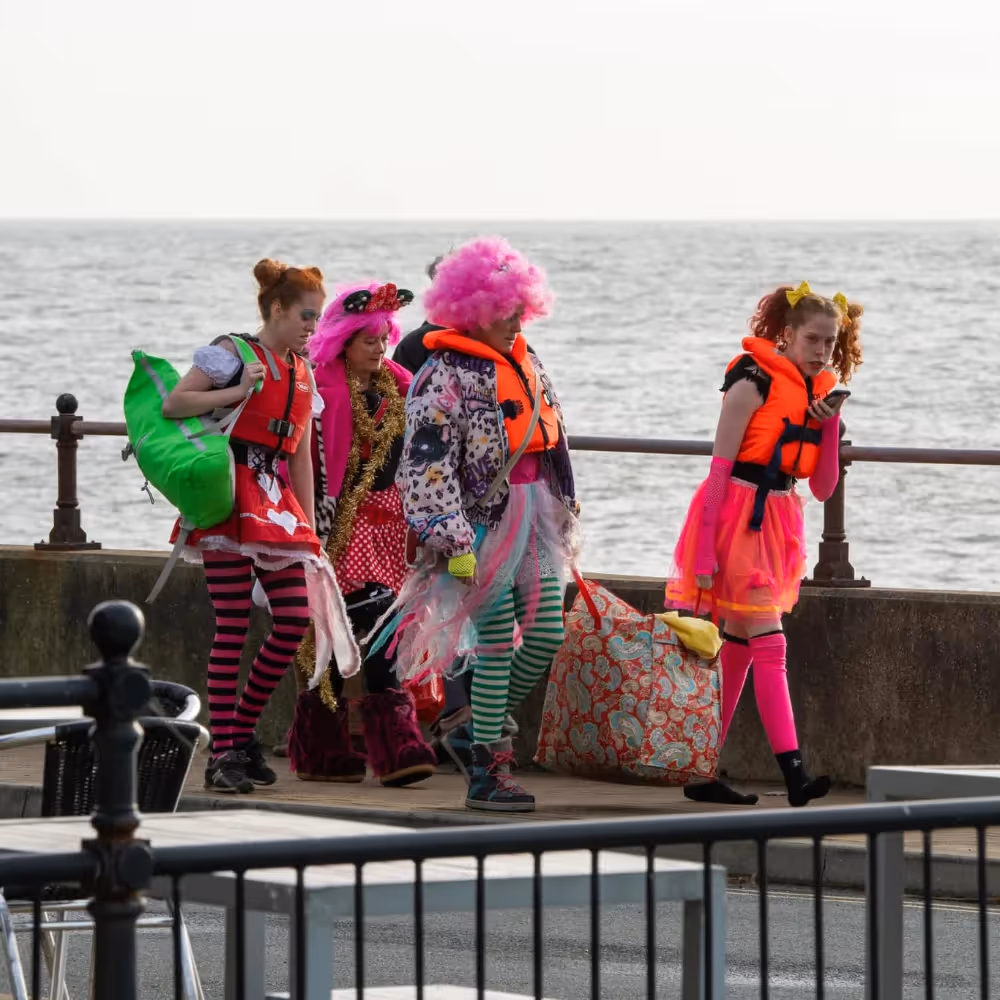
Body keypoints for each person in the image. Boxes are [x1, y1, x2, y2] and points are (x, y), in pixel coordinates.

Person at [369, 236, 581, 812]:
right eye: (503, 311)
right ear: (470, 311)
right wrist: (452, 537)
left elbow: (553, 439)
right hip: (479, 525)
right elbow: (424, 464)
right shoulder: (442, 375)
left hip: (535, 515)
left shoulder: (527, 358)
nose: (515, 320)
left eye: (520, 309)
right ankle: (488, 770)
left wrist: (565, 509)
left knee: (544, 635)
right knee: (493, 642)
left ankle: (471, 728)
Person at [162, 259, 358, 793]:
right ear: (275, 309)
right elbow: (175, 403)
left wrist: (309, 523)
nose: (312, 328)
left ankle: (240, 733)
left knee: (293, 618)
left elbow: (298, 452)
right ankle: (222, 753)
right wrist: (235, 390)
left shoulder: (302, 370)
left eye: (316, 319)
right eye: (305, 316)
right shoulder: (231, 354)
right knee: (231, 626)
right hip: (227, 497)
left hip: (275, 504)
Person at [665, 281, 863, 807]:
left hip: (778, 520)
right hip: (735, 514)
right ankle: (795, 775)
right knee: (770, 644)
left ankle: (701, 770)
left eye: (829, 344)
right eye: (813, 340)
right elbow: (718, 471)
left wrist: (829, 424)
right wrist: (704, 552)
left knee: (738, 651)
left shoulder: (818, 395)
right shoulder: (750, 383)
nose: (821, 351)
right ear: (788, 333)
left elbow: (821, 487)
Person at [285, 281, 438, 786]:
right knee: (348, 627)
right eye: (368, 339)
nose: (380, 347)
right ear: (344, 341)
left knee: (370, 625)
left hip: (390, 526)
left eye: (383, 337)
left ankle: (328, 749)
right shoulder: (322, 389)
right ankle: (390, 746)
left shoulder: (400, 385)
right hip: (339, 527)